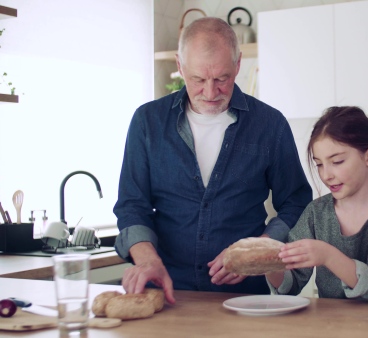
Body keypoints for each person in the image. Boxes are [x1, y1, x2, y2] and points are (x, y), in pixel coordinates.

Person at [113, 17, 312, 304]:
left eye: (222, 79)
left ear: (238, 65)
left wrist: (257, 250)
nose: (209, 92)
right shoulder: (147, 122)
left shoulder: (270, 125)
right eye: (197, 79)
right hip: (166, 294)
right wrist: (146, 260)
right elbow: (132, 204)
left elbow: (296, 202)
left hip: (244, 298)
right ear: (180, 66)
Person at [266, 106, 368, 302]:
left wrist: (328, 256)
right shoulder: (316, 212)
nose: (326, 175)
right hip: (333, 327)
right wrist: (267, 263)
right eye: (319, 164)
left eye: (337, 161)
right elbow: (290, 284)